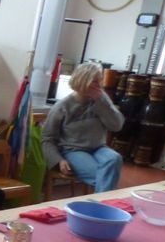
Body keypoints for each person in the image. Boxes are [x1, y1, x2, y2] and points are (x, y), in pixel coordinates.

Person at [41, 61, 125, 193]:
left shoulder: (102, 98)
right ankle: (104, 203)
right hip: (73, 150)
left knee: (115, 158)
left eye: (100, 81)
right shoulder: (63, 106)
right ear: (83, 81)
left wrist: (101, 103)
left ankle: (99, 203)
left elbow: (117, 126)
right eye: (95, 82)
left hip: (99, 148)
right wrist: (59, 160)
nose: (99, 86)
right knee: (103, 174)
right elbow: (47, 138)